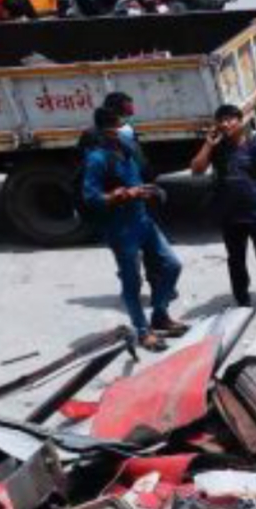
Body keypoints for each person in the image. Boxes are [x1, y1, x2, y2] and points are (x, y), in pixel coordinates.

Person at [80, 107, 186, 351]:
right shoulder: (96, 159)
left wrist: (148, 190)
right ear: (106, 130)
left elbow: (135, 181)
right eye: (120, 125)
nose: (125, 128)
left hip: (143, 220)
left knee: (172, 265)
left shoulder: (127, 148)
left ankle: (160, 315)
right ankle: (142, 331)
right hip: (120, 228)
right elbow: (91, 197)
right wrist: (122, 195)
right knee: (132, 281)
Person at [190, 104, 256, 308]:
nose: (225, 124)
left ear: (240, 121)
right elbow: (196, 170)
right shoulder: (217, 148)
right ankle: (241, 296)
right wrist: (208, 144)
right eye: (221, 121)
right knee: (235, 259)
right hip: (230, 215)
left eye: (229, 119)